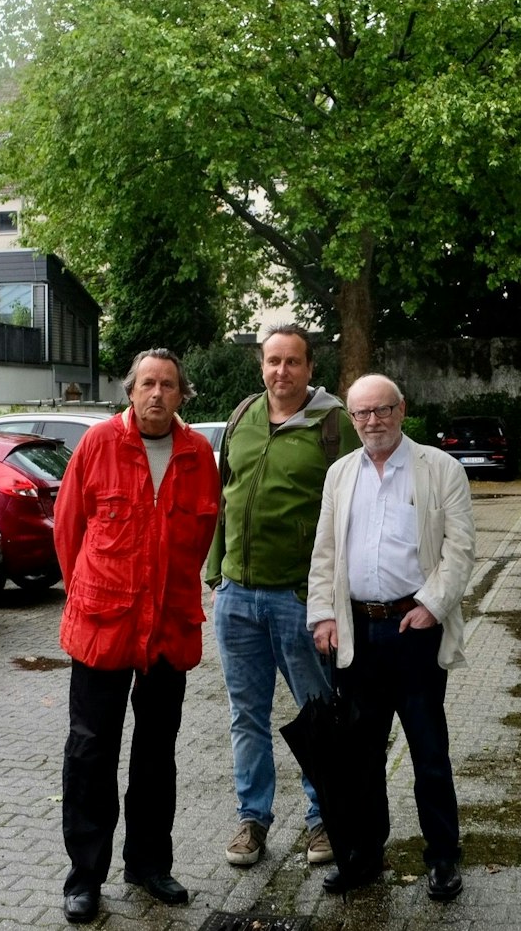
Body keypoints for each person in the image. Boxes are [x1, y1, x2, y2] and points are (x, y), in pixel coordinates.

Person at [54, 350, 221, 924]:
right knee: (91, 751)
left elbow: (199, 539)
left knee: (157, 754)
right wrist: (93, 592)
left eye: (168, 385)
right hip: (104, 625)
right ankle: (85, 877)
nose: (157, 393)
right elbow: (71, 532)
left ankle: (149, 864)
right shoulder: (98, 444)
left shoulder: (199, 454)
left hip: (169, 627)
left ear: (181, 395)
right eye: (147, 383)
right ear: (130, 390)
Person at [308, 373, 475, 903]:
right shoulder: (340, 474)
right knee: (361, 755)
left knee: (429, 750)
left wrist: (433, 605)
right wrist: (323, 616)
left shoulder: (439, 468)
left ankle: (443, 857)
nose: (372, 421)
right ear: (351, 419)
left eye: (381, 410)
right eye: (361, 414)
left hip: (413, 631)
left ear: (402, 409)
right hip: (357, 632)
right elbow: (325, 554)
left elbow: (460, 550)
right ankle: (365, 855)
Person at [205, 323, 358, 868]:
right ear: (261, 365)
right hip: (237, 597)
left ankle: (323, 821)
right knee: (246, 714)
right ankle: (253, 819)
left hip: (299, 600)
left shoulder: (335, 423)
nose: (282, 372)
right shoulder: (243, 417)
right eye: (273, 361)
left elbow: (352, 510)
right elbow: (225, 495)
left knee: (317, 711)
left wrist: (330, 598)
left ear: (310, 368)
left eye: (293, 362)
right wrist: (214, 569)